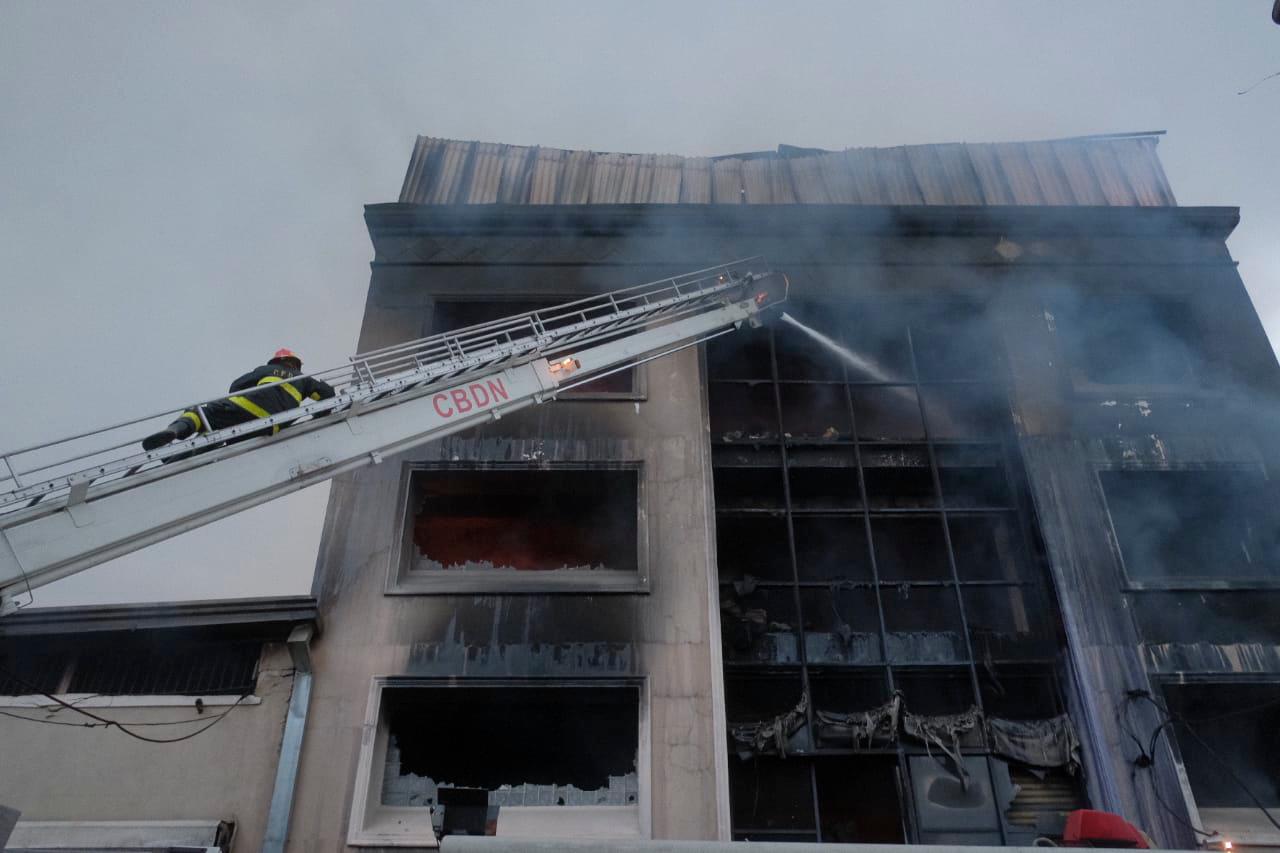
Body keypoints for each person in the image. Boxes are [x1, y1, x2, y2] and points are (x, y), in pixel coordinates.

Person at [142, 348, 336, 451]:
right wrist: (320, 415)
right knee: (226, 438)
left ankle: (175, 431)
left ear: (277, 361)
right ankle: (198, 449)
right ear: (296, 364)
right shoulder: (304, 380)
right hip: (272, 426)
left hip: (247, 408)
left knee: (204, 414)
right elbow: (327, 394)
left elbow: (235, 387)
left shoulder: (264, 370)